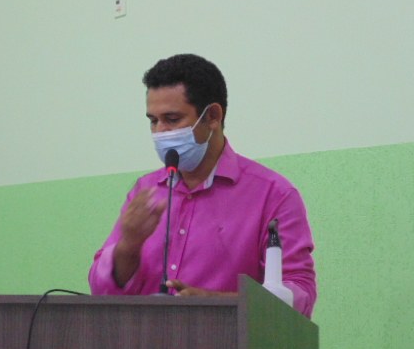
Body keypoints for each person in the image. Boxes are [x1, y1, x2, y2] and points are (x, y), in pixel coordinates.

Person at [88, 54, 317, 317]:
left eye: (172, 119)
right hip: (141, 340)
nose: (160, 131)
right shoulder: (145, 190)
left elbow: (300, 294)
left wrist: (217, 302)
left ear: (213, 116)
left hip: (227, 342)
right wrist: (128, 245)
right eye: (153, 120)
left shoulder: (273, 195)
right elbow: (100, 290)